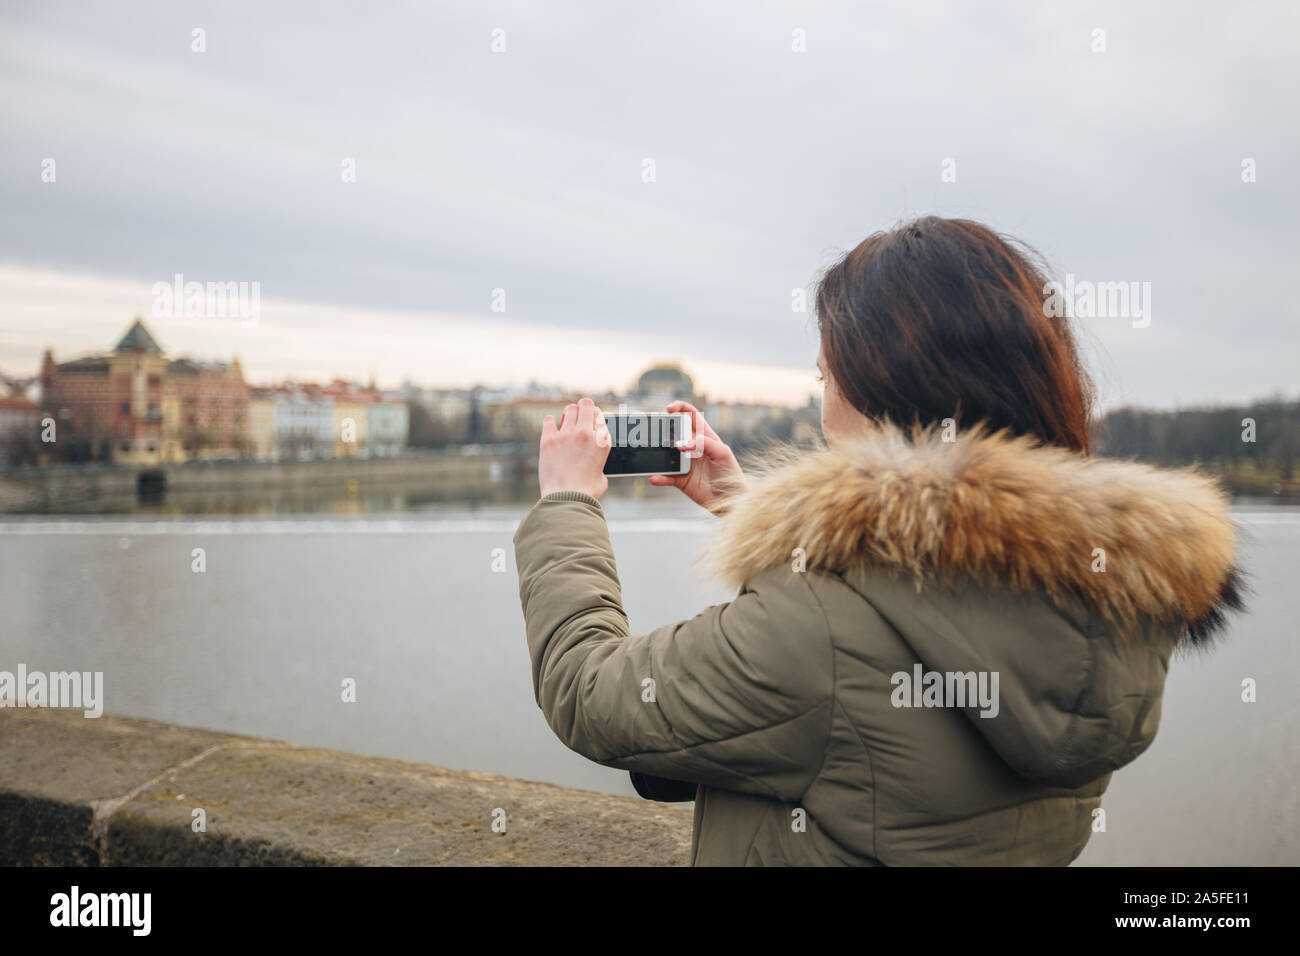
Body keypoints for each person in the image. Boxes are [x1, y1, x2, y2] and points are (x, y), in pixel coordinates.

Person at [512, 216, 1244, 866]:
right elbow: (914, 614)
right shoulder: (1104, 590)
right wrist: (744, 506)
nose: (823, 399)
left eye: (828, 375)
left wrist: (568, 502)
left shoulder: (817, 632)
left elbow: (592, 693)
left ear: (879, 389)